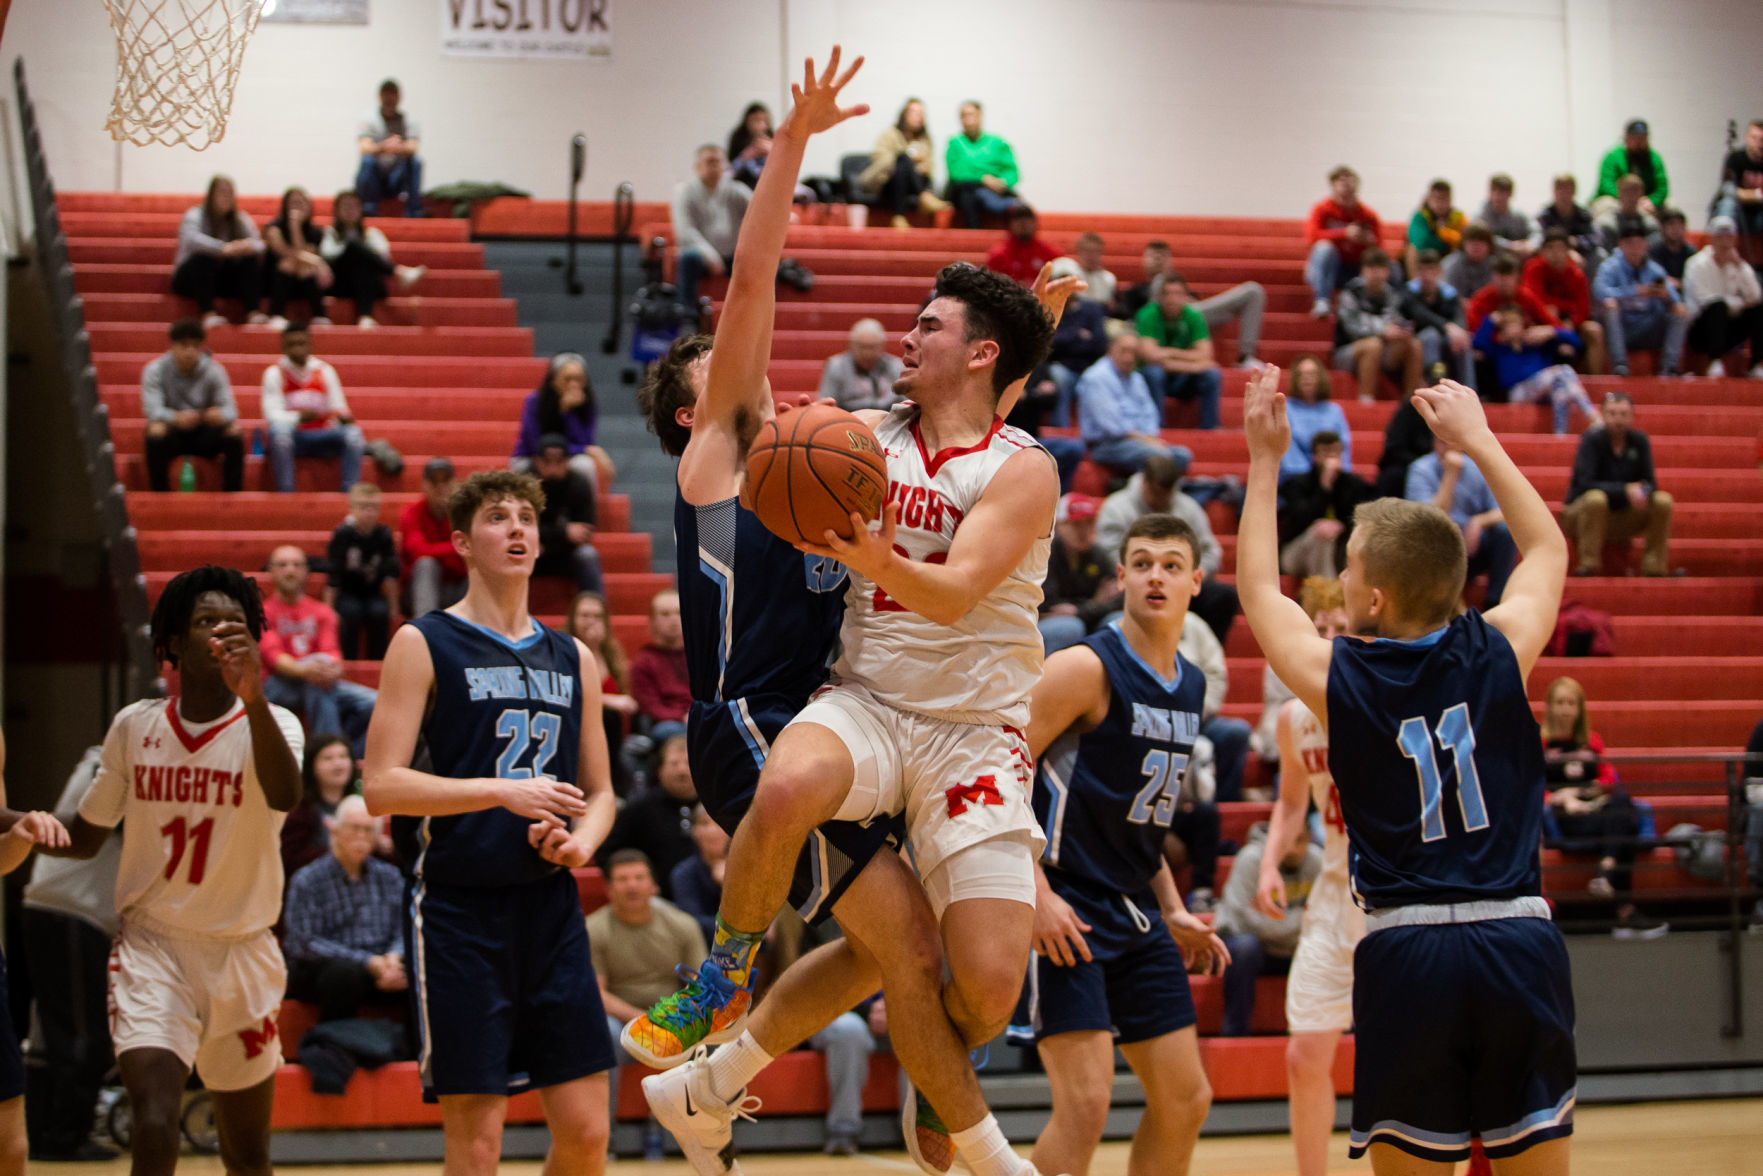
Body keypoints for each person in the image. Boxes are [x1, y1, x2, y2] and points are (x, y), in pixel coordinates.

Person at [633, 56, 1066, 1176]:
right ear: (698, 411)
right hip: (767, 720)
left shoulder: (849, 451)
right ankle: (724, 987)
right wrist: (788, 144)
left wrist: (1032, 328)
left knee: (935, 968)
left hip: (939, 729)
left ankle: (716, 1086)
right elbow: (751, 288)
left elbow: (979, 424)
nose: (768, 387)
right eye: (735, 383)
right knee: (832, 855)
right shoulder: (733, 455)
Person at [1238, 368, 1575, 1172]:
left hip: (1405, 949)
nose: (1342, 578)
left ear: (1377, 598)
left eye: (1351, 567)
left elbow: (1256, 589)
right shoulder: (1501, 649)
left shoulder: (1340, 677)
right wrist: (1480, 439)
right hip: (1516, 936)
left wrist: (1262, 460)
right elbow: (1547, 547)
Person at [362, 469, 619, 1176]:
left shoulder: (576, 657)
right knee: (477, 1147)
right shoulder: (424, 642)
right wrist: (498, 793)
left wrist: (579, 844)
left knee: (587, 1136)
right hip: (457, 911)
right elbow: (380, 786)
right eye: (497, 518)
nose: (516, 529)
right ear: (460, 543)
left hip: (550, 908)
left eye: (526, 519)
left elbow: (602, 794)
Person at [47, 565, 305, 1176]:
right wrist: (15, 822)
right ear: (172, 642)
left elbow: (287, 794)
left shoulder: (275, 724)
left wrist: (254, 698)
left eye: (236, 623)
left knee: (246, 1155)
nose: (221, 633)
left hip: (242, 953)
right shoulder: (135, 727)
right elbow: (85, 838)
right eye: (204, 622)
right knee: (157, 1119)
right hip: (153, 947)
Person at [1009, 514, 1229, 1176]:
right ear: (1121, 578)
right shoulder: (1083, 666)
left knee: (1186, 1099)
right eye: (1140, 562)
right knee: (1084, 1103)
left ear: (1195, 581)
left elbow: (1144, 820)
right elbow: (999, 773)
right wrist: (1036, 895)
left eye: (1169, 563)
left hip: (1134, 908)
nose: (1154, 575)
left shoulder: (1190, 683)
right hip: (1064, 902)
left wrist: (1172, 908)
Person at [1251, 581, 1367, 1176]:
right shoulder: (1295, 718)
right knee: (1304, 1054)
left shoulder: (1384, 698)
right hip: (1332, 893)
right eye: (1318, 629)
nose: (1327, 641)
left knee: (1402, 1054)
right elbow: (1292, 804)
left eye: (1338, 629)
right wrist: (1271, 862)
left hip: (1395, 899)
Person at [20, 748, 120, 1164]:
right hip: (72, 912)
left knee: (50, 1031)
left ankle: (42, 1132)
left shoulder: (101, 761)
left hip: (56, 909)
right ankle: (65, 1134)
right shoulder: (112, 767)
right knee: (84, 1032)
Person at [588, 850, 708, 1122]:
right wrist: (642, 1020)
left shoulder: (682, 925)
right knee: (602, 1033)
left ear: (653, 885)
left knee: (710, 1028)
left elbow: (699, 988)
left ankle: (696, 1133)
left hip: (672, 1016)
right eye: (623, 879)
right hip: (621, 1023)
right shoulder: (594, 928)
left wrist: (672, 1018)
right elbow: (596, 993)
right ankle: (603, 1136)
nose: (632, 885)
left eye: (639, 878)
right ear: (608, 888)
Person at [1540, 678, 1664, 938]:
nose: (1565, 709)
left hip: (1595, 810)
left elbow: (1609, 778)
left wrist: (1580, 792)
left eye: (1571, 703)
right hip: (1566, 818)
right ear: (1550, 707)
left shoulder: (1591, 741)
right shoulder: (1540, 743)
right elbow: (1531, 786)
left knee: (1622, 804)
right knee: (1624, 824)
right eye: (1560, 703)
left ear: (1579, 709)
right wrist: (1561, 798)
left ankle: (1606, 872)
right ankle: (1625, 912)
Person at [283, 795, 408, 1023]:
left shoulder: (389, 876)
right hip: (330, 969)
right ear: (335, 831)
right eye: (354, 828)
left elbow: (403, 926)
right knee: (342, 974)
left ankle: (416, 1050)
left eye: (368, 830)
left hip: (382, 964)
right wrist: (368, 962)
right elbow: (303, 942)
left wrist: (393, 957)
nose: (361, 837)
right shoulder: (308, 879)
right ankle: (337, 1046)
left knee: (421, 966)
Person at [1095, 453, 1237, 644]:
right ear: (1144, 482)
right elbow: (1108, 554)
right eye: (1156, 493)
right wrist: (1140, 574)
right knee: (1117, 600)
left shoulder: (1189, 508)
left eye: (1167, 493)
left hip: (1181, 583)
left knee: (1223, 597)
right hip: (1136, 585)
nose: (1161, 499)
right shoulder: (1116, 508)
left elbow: (1211, 551)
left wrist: (1185, 576)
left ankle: (1206, 653)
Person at [260, 545, 378, 756]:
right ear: (271, 571)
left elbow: (332, 655)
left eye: (296, 565)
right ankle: (331, 756)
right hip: (277, 687)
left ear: (307, 571)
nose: (290, 570)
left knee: (376, 703)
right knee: (317, 678)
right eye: (283, 565)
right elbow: (275, 659)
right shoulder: (262, 613)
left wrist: (322, 670)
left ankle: (343, 755)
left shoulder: (322, 612)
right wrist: (310, 670)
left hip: (317, 682)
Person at [1216, 824, 1321, 1035]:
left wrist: (1274, 921)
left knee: (1330, 947)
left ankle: (1326, 1034)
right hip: (1247, 946)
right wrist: (1304, 917)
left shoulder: (1317, 860)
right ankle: (1234, 1035)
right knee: (1245, 948)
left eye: (1299, 840)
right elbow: (1248, 923)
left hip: (1292, 949)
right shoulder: (1250, 859)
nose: (1292, 848)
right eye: (1287, 839)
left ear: (1309, 837)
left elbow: (1327, 918)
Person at [1561, 392, 1673, 577]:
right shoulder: (1590, 440)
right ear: (1603, 415)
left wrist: (1642, 492)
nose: (1618, 419)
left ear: (1632, 416)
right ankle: (1588, 565)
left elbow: (1651, 483)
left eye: (1623, 414)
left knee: (1662, 501)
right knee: (1595, 499)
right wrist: (1624, 490)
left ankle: (1655, 567)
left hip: (1622, 516)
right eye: (1612, 414)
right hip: (1583, 516)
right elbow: (1584, 485)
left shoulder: (1639, 441)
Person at [1249, 578, 1347, 776]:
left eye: (1340, 629)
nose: (1329, 637)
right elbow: (1271, 736)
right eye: (1321, 629)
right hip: (1301, 761)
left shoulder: (1368, 666)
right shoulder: (1285, 659)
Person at [1406, 436, 1519, 608]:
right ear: (1434, 443)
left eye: (1452, 443)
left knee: (1505, 531)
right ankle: (1436, 606)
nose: (1448, 448)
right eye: (1443, 442)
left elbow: (1503, 510)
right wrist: (1451, 474)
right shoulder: (1420, 469)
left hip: (1471, 542)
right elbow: (1431, 519)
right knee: (1434, 536)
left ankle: (1495, 601)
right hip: (1436, 546)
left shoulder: (1477, 468)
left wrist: (1478, 521)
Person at [142, 318, 245, 492]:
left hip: (204, 431)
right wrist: (175, 418)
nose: (190, 351)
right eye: (184, 345)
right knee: (155, 431)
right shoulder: (155, 370)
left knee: (234, 432)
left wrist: (218, 415)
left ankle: (232, 494)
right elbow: (152, 410)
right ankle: (159, 493)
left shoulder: (215, 370)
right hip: (172, 432)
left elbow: (231, 410)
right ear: (172, 345)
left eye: (195, 346)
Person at [261, 324, 364, 494]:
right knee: (279, 433)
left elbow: (339, 408)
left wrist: (343, 418)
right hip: (294, 438)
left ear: (310, 344)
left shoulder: (324, 371)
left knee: (353, 434)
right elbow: (271, 416)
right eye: (292, 344)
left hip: (323, 436)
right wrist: (299, 418)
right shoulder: (274, 373)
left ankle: (349, 494)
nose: (297, 348)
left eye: (301, 343)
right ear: (283, 346)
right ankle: (286, 493)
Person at [598, 734, 699, 892]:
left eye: (688, 763)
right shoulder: (638, 809)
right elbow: (607, 854)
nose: (682, 771)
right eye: (674, 764)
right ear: (659, 770)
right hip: (652, 903)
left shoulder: (719, 807)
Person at [1472, 309, 1597, 434]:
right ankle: (1591, 415)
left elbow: (1577, 343)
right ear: (1502, 330)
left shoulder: (1536, 344)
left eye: (1515, 323)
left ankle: (1560, 435)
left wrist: (1552, 331)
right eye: (1508, 325)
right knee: (1563, 371)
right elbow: (1477, 343)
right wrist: (1490, 321)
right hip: (1517, 393)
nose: (1512, 328)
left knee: (1560, 390)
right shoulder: (1499, 349)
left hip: (1544, 391)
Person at [1076, 328, 1183, 473]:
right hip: (1107, 444)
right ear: (1111, 349)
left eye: (1133, 352)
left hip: (1140, 442)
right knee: (1160, 457)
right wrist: (1147, 441)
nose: (1129, 357)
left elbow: (1149, 413)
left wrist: (1151, 437)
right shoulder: (1096, 377)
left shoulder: (1136, 378)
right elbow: (1112, 426)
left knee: (1182, 455)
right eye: (1124, 351)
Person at [1595, 217, 1690, 377]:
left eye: (1639, 244)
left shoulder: (1654, 270)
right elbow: (1599, 292)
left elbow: (1678, 300)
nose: (1635, 249)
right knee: (1610, 305)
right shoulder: (1609, 267)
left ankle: (1670, 368)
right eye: (1630, 244)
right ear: (1621, 245)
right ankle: (1620, 365)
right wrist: (1633, 291)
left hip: (1647, 326)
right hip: (1620, 328)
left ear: (1646, 246)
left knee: (1680, 309)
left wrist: (1666, 296)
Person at [568, 592, 640, 794]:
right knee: (607, 715)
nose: (590, 622)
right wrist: (608, 700)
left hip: (614, 741)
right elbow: (569, 694)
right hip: (577, 729)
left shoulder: (612, 653)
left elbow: (626, 698)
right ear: (573, 619)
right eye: (584, 615)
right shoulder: (564, 650)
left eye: (597, 616)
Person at [321, 189, 423, 329]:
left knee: (363, 267)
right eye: (345, 206)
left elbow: (383, 257)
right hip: (339, 283)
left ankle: (365, 317)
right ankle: (399, 272)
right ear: (337, 211)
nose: (349, 210)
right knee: (353, 248)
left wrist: (362, 251)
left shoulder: (373, 233)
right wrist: (353, 247)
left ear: (360, 209)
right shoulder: (329, 233)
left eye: (353, 206)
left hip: (370, 284)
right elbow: (327, 255)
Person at [171, 175, 265, 327]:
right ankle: (208, 313)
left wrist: (244, 246)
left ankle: (253, 312)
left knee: (249, 260)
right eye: (222, 192)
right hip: (190, 280)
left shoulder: (240, 218)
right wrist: (222, 248)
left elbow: (259, 244)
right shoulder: (195, 214)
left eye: (230, 193)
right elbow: (191, 239)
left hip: (220, 280)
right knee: (202, 260)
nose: (226, 197)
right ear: (211, 195)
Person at [1279, 431, 1373, 579]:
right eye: (1326, 452)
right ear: (1314, 456)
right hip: (1296, 553)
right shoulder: (1297, 484)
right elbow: (1300, 520)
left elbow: (1359, 520)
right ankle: (1324, 593)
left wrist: (1340, 526)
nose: (1331, 457)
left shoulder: (1354, 484)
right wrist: (1324, 487)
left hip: (1339, 551)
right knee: (1322, 534)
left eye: (1335, 452)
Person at [511, 352, 614, 488]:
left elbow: (585, 442)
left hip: (568, 458)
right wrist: (587, 450)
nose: (573, 385)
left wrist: (568, 413)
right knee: (519, 470)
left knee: (585, 465)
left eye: (579, 379)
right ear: (553, 380)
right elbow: (532, 444)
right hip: (533, 457)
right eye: (567, 379)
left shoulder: (588, 404)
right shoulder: (534, 402)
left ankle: (587, 509)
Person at [1333, 249, 1421, 404]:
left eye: (1381, 269)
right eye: (1372, 269)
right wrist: (1383, 330)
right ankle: (1366, 400)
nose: (1376, 274)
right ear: (1363, 270)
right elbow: (1352, 328)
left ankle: (1411, 404)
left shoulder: (1391, 294)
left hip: (1382, 351)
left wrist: (1401, 330)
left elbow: (1395, 320)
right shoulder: (1350, 292)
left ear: (1387, 272)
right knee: (1373, 345)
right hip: (1347, 351)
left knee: (1413, 345)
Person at [1036, 493, 1120, 655]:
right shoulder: (1046, 554)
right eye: (1076, 524)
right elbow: (1047, 606)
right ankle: (1049, 677)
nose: (1083, 531)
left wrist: (1082, 609)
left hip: (1085, 619)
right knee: (1069, 628)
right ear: (1059, 525)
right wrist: (1095, 603)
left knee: (1119, 621)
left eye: (1089, 523)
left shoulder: (1098, 554)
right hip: (1042, 627)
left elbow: (1119, 598)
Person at [1136, 278, 1223, 429]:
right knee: (1154, 372)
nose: (1172, 298)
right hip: (1155, 379)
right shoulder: (1147, 313)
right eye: (1167, 294)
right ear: (1160, 297)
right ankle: (1157, 428)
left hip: (1182, 380)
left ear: (1186, 297)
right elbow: (1150, 356)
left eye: (1177, 293)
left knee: (1212, 375)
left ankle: (1210, 428)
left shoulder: (1193, 316)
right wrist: (1193, 365)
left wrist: (1168, 354)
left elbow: (1205, 355)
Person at [326, 482, 399, 661]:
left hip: (373, 592)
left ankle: (379, 662)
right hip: (347, 592)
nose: (369, 512)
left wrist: (394, 608)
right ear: (352, 508)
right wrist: (328, 609)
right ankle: (348, 661)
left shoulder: (383, 535)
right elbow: (333, 574)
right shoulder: (342, 534)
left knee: (379, 612)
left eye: (373, 507)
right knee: (350, 612)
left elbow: (390, 575)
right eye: (363, 507)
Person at [672, 144, 750, 309]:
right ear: (698, 167)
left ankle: (759, 314)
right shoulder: (686, 193)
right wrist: (710, 255)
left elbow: (759, 211)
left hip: (732, 256)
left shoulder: (736, 190)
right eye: (709, 162)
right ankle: (686, 315)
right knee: (687, 259)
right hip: (702, 256)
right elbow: (685, 231)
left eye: (718, 162)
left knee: (765, 263)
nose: (715, 166)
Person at [1684, 215, 1763, 378]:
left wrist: (1739, 267)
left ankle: (1756, 365)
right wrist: (1739, 303)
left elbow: (1756, 297)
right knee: (1718, 307)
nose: (1725, 242)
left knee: (1758, 310)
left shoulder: (1739, 265)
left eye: (1729, 237)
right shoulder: (1697, 264)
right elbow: (1704, 300)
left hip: (1729, 330)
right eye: (1720, 237)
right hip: (1701, 330)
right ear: (1711, 239)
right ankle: (1715, 362)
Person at [1524, 228, 1609, 375]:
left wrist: (1571, 322)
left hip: (1571, 323)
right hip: (1541, 321)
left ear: (1568, 252)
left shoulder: (1577, 275)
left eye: (1560, 248)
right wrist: (1557, 318)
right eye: (1550, 248)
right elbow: (1533, 300)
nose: (1555, 253)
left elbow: (1583, 308)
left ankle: (1595, 380)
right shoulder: (1533, 268)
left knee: (1594, 330)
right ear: (1542, 251)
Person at [1305, 165, 1384, 317]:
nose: (1348, 186)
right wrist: (1344, 233)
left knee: (1387, 265)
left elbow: (1380, 246)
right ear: (1333, 185)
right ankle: (1322, 300)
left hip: (1355, 268)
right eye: (1342, 182)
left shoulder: (1367, 214)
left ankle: (1380, 307)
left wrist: (1368, 242)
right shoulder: (1322, 209)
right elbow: (1312, 237)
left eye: (1351, 182)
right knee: (1324, 248)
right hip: (1328, 269)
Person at [856, 97, 949, 227]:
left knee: (906, 163)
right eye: (915, 113)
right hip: (888, 182)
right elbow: (880, 162)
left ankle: (899, 216)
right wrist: (908, 161)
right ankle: (923, 198)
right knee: (903, 159)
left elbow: (930, 167)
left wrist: (920, 167)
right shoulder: (889, 134)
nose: (919, 117)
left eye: (921, 114)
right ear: (904, 114)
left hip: (914, 184)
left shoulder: (925, 139)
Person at [531, 434, 604, 595]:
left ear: (568, 462)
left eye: (559, 462)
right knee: (517, 551)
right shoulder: (526, 484)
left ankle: (595, 609)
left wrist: (546, 536)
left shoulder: (579, 484)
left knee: (588, 555)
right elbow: (524, 531)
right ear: (537, 461)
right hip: (535, 552)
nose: (553, 469)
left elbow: (585, 532)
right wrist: (564, 532)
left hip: (566, 554)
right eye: (547, 462)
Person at [280, 733, 360, 879]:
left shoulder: (360, 805)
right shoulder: (300, 811)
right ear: (312, 766)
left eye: (343, 756)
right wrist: (341, 850)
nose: (338, 764)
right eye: (328, 758)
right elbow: (290, 860)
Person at [399, 458, 467, 617]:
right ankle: (425, 632)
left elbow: (475, 550)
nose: (440, 487)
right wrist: (455, 548)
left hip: (457, 588)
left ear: (454, 484)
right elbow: (417, 551)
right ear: (424, 484)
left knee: (479, 568)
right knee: (426, 564)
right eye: (434, 481)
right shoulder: (412, 513)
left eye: (445, 481)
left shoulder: (463, 514)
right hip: (418, 592)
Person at [1402, 250, 1475, 386]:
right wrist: (1447, 327)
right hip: (1416, 339)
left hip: (1446, 338)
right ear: (1417, 272)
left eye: (1431, 270)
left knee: (1462, 340)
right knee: (1431, 336)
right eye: (1423, 270)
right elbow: (1420, 314)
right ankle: (1436, 385)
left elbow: (1458, 319)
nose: (1427, 275)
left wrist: (1457, 332)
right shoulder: (1408, 291)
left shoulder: (1449, 293)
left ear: (1439, 272)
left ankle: (1470, 390)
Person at [944, 100, 1021, 228]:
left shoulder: (997, 142)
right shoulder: (955, 142)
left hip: (995, 190)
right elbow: (956, 172)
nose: (967, 119)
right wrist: (983, 179)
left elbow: (1012, 171)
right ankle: (996, 206)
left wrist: (1002, 182)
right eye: (963, 116)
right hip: (965, 191)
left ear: (980, 117)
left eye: (971, 114)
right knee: (966, 191)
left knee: (973, 194)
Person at [261, 187, 331, 328]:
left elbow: (302, 254)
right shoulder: (274, 227)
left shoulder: (316, 232)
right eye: (294, 203)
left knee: (304, 267)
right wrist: (317, 262)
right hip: (275, 281)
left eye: (302, 203)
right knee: (289, 263)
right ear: (285, 206)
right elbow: (285, 252)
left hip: (304, 283)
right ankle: (275, 314)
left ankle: (319, 316)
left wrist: (296, 228)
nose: (298, 207)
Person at [355, 79, 423, 217]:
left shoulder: (409, 121)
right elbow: (364, 148)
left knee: (415, 162)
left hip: (396, 178)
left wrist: (395, 147)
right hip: (375, 178)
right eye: (386, 94)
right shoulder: (369, 119)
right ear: (380, 96)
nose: (390, 98)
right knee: (367, 161)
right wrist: (386, 146)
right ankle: (369, 209)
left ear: (399, 97)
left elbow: (413, 148)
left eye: (393, 94)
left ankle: (413, 210)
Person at [629, 590, 689, 740]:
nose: (674, 620)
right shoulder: (643, 661)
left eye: (679, 613)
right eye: (665, 614)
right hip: (667, 726)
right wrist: (683, 717)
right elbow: (651, 708)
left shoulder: (699, 656)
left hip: (699, 717)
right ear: (652, 620)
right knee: (669, 729)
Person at [1279, 354, 1352, 479]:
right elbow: (1287, 449)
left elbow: (1343, 447)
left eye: (1312, 374)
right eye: (1302, 375)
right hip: (1295, 478)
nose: (1307, 379)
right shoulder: (1285, 409)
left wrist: (1335, 470)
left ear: (1321, 378)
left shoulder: (1334, 411)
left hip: (1331, 474)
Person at [669, 805, 729, 943]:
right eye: (704, 823)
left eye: (718, 823)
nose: (712, 831)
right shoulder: (683, 873)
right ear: (694, 831)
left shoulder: (751, 867)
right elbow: (693, 924)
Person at [819, 318, 904, 411]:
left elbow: (906, 402)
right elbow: (826, 404)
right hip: (849, 419)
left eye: (872, 347)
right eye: (862, 347)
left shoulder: (896, 366)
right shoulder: (836, 366)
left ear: (882, 346)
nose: (867, 353)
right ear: (851, 345)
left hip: (888, 419)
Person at [1593, 119, 1668, 218]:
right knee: (1606, 204)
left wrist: (1652, 200)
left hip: (1645, 202)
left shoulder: (1654, 159)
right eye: (1635, 139)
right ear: (1626, 139)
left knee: (1671, 205)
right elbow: (1606, 185)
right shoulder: (1612, 157)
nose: (1639, 143)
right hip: (1618, 200)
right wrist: (1629, 199)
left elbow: (1662, 188)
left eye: (1642, 139)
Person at [1536, 173, 1602, 271]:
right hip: (1553, 253)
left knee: (1599, 255)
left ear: (1574, 192)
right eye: (1560, 190)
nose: (1564, 195)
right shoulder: (1545, 215)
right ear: (1554, 191)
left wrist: (1577, 241)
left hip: (1581, 252)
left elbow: (1596, 238)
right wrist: (1567, 251)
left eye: (1568, 190)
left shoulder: (1584, 214)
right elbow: (1541, 239)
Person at [985, 205, 1061, 286]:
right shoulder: (998, 255)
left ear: (1035, 223)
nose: (1023, 223)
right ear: (1010, 224)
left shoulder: (1052, 254)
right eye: (1018, 219)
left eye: (1028, 219)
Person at [1406, 179, 1466, 276]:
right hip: (1424, 256)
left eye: (1444, 199)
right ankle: (1415, 284)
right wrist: (1444, 240)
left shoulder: (1458, 217)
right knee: (1412, 249)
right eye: (1437, 199)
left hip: (1448, 257)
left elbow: (1464, 241)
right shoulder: (1421, 216)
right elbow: (1421, 242)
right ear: (1429, 199)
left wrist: (1446, 233)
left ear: (1450, 200)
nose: (1440, 204)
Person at [1714, 118, 1763, 236]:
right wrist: (1757, 195)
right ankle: (1723, 242)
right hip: (1738, 213)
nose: (1759, 143)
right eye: (1754, 138)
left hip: (1759, 216)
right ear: (1747, 138)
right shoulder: (1735, 158)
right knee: (1727, 203)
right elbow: (1728, 190)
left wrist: (1745, 195)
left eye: (1762, 139)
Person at [1475, 174, 1536, 260]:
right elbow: (1484, 238)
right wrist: (1511, 246)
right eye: (1494, 190)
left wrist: (1530, 244)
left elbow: (1536, 232)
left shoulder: (1519, 216)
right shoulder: (1480, 217)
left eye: (1502, 191)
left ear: (1510, 194)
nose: (1497, 196)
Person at [1594, 175, 1659, 252]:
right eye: (1627, 191)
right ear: (1619, 192)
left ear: (1641, 194)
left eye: (1635, 191)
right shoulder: (1607, 224)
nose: (1631, 196)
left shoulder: (1650, 224)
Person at [726, 102, 773, 188]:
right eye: (756, 120)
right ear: (747, 121)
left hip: (768, 181)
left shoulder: (772, 136)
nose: (760, 125)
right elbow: (731, 169)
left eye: (763, 120)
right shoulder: (738, 138)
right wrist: (746, 155)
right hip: (744, 181)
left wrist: (772, 151)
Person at [1647, 209, 1693, 287]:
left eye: (1679, 225)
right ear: (1662, 229)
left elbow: (1693, 278)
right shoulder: (1653, 250)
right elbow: (1653, 276)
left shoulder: (1691, 252)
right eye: (1671, 225)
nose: (1676, 229)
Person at [1071, 232, 1116, 308]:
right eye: (1087, 251)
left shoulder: (1109, 278)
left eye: (1095, 251)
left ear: (1101, 252)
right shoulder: (1070, 276)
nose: (1091, 256)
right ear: (1078, 251)